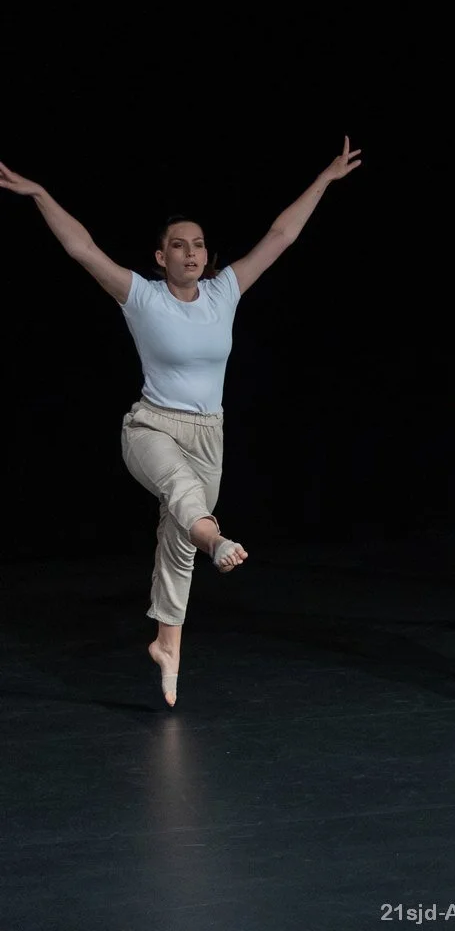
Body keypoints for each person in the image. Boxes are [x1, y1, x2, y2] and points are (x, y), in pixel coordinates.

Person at [0, 138, 363, 705]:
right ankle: (218, 542)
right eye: (178, 245)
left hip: (209, 433)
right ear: (160, 256)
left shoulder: (224, 293)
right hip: (151, 428)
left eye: (198, 245)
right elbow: (81, 248)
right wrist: (40, 193)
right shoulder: (141, 297)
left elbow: (281, 235)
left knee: (178, 538)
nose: (191, 254)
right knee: (183, 496)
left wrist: (325, 179)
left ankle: (168, 645)